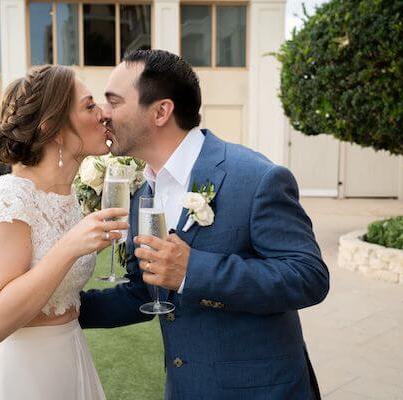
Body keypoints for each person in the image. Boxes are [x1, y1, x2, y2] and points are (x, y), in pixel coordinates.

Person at [80, 50, 330, 399]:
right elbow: (144, 292)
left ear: (161, 111)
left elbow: (309, 277)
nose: (103, 114)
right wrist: (65, 309)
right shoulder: (141, 193)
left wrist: (192, 271)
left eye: (114, 101)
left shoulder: (256, 178)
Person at [0, 65, 126, 399]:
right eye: (89, 106)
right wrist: (71, 246)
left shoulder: (67, 197)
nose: (103, 115)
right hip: (23, 376)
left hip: (70, 359)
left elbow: (53, 262)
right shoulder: (10, 197)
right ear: (52, 127)